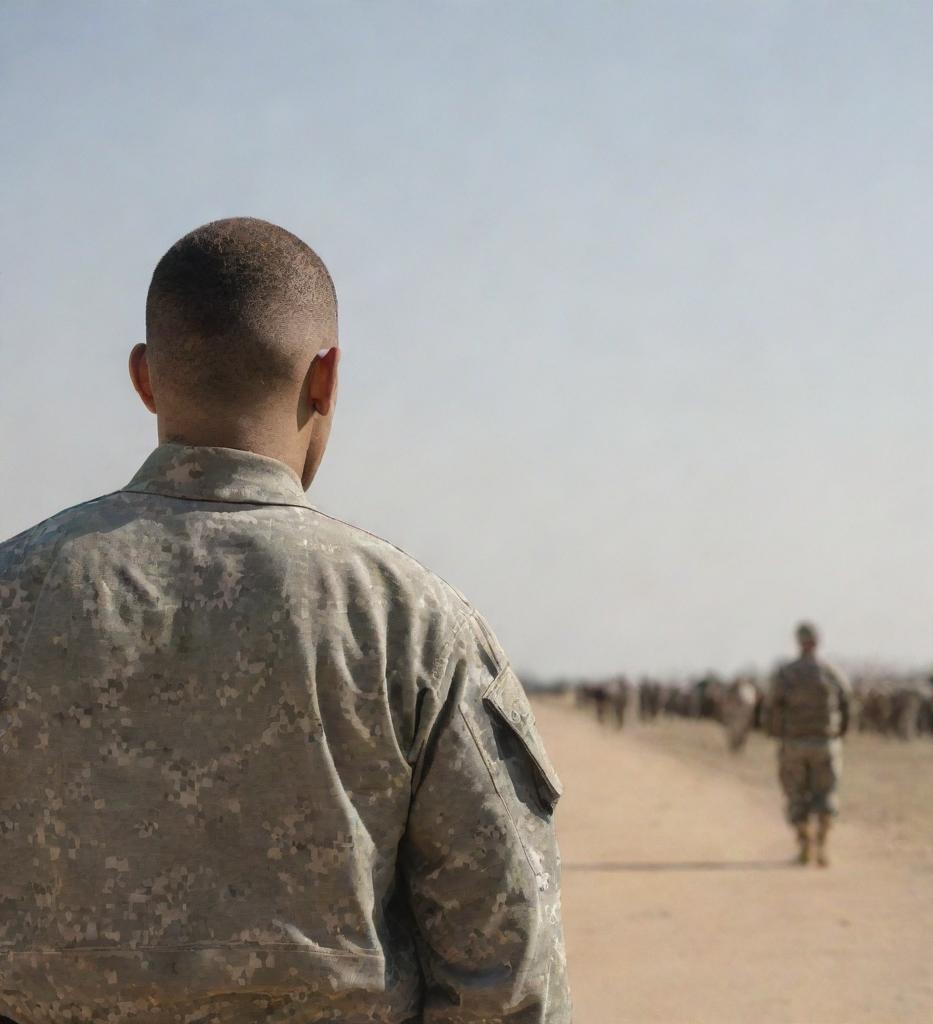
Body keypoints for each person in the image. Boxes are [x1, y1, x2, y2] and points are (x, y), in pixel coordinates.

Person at [0, 218, 571, 1024]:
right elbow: (506, 977)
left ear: (145, 379)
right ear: (326, 379)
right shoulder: (411, 623)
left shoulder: (15, 593)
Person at [763, 622, 851, 867]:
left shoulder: (786, 674)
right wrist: (839, 735)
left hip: (794, 744)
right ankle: (822, 847)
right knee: (826, 795)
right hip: (826, 743)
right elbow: (848, 705)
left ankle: (805, 847)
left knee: (796, 795)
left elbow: (771, 707)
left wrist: (775, 734)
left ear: (798, 642)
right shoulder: (831, 673)